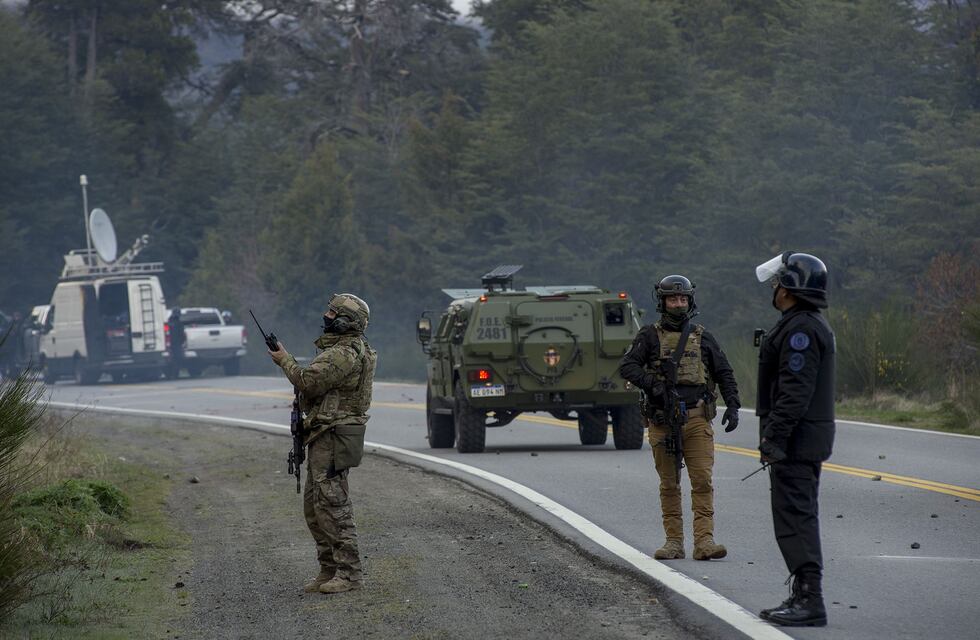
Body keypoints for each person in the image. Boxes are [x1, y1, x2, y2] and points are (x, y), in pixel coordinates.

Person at [619, 275, 741, 561]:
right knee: (670, 484)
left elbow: (724, 373)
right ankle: (674, 542)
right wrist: (654, 384)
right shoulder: (649, 336)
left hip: (697, 419)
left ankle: (704, 542)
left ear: (690, 300)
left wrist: (733, 406)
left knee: (702, 481)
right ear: (663, 302)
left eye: (683, 299)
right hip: (662, 420)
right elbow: (627, 367)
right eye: (673, 299)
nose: (678, 303)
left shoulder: (703, 336)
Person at [267, 293, 377, 594]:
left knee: (332, 503)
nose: (326, 316)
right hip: (325, 432)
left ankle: (350, 573)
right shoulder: (342, 349)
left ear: (344, 320)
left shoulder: (345, 352)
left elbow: (309, 381)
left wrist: (284, 361)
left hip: (335, 433)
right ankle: (329, 569)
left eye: (332, 312)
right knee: (315, 506)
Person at [754, 252, 835, 627]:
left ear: (790, 290)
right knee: (798, 514)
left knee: (795, 517)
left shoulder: (800, 330)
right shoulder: (801, 323)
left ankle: (809, 600)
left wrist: (774, 437)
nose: (774, 290)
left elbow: (794, 393)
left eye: (778, 284)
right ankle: (804, 594)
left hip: (796, 441)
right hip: (801, 440)